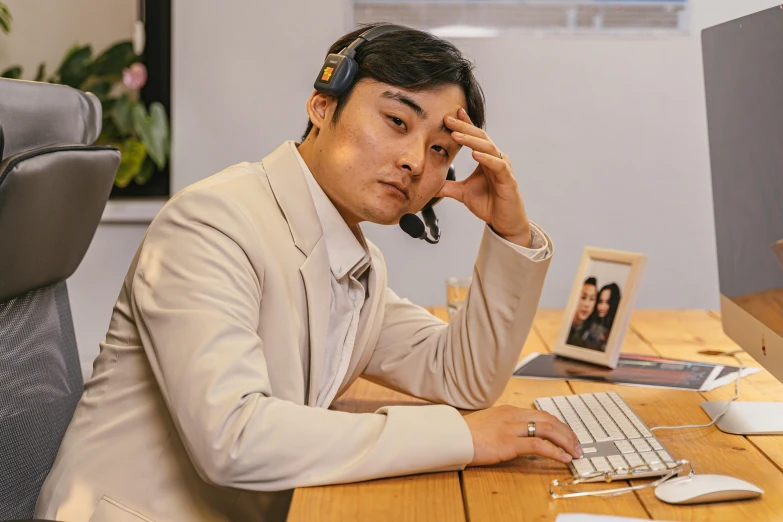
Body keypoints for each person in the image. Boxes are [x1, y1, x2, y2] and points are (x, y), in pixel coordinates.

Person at [35, 24, 582, 522]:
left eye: (440, 148)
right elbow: (235, 439)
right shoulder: (213, 224)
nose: (417, 159)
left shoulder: (351, 260)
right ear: (322, 105)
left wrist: (510, 233)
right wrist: (460, 436)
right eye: (396, 121)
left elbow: (462, 375)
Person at [582, 283, 622, 352]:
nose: (602, 307)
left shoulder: (615, 329)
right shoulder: (590, 321)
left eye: (608, 302)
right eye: (600, 301)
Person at [566, 277, 598, 347]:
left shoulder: (594, 332)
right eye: (583, 297)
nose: (587, 304)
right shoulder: (564, 326)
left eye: (592, 299)